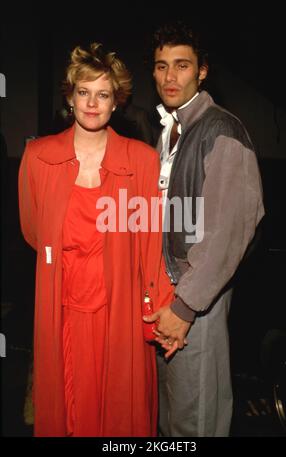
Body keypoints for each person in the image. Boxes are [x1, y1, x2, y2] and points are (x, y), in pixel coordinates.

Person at [18, 42, 173, 437]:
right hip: (62, 306)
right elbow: (35, 232)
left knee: (119, 413)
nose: (92, 103)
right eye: (83, 92)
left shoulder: (141, 160)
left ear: (116, 101)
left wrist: (164, 311)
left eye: (102, 94)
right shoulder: (37, 157)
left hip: (118, 310)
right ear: (70, 96)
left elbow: (150, 242)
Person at [143, 21, 265, 436]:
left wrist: (185, 307)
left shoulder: (221, 130)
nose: (169, 77)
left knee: (198, 419)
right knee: (171, 417)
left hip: (198, 299)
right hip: (169, 291)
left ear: (203, 71)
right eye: (161, 66)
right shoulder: (172, 131)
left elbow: (227, 235)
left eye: (181, 65)